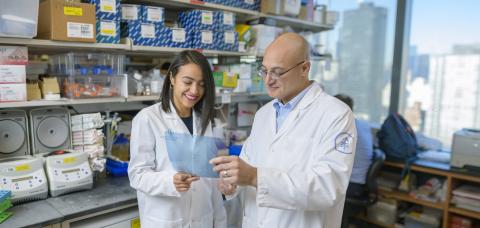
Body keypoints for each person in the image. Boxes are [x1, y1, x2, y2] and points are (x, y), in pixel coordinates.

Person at [210, 33, 357, 228]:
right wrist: (232, 185)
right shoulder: (264, 114)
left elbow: (328, 188)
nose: (268, 80)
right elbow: (248, 164)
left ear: (304, 68)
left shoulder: (336, 115)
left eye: (278, 72)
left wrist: (255, 177)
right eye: (264, 71)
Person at [128, 50, 226, 228]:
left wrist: (219, 221)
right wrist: (169, 181)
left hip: (203, 219)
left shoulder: (203, 120)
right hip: (167, 220)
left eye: (202, 85)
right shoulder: (148, 118)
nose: (194, 91)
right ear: (172, 78)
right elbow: (137, 175)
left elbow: (210, 180)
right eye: (187, 82)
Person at [334, 94, 373, 198]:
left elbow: (335, 161)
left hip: (352, 184)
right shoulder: (363, 125)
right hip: (359, 181)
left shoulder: (345, 131)